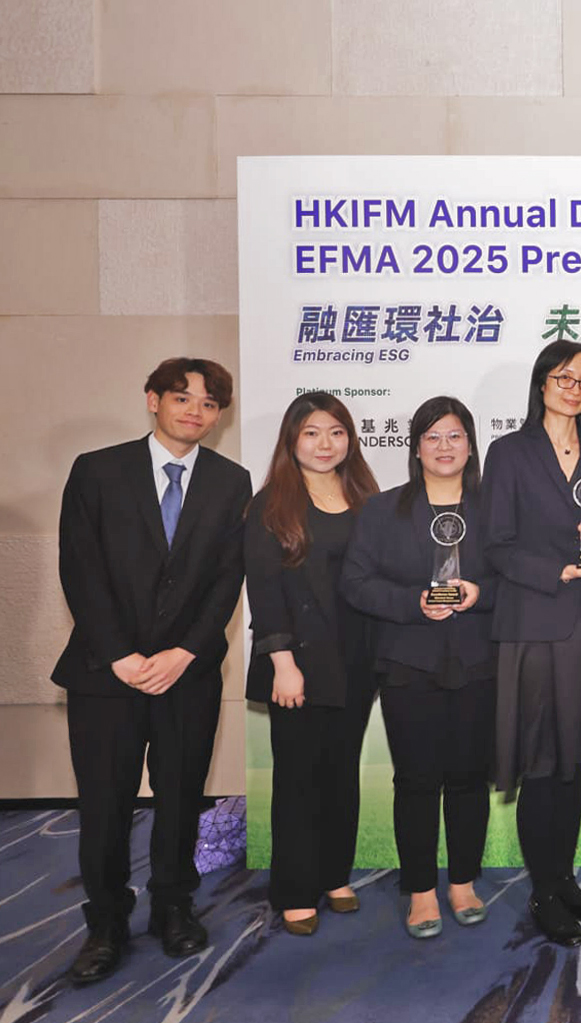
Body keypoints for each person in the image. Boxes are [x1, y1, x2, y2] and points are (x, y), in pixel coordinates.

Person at [54, 359, 252, 984]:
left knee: (181, 798)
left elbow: (228, 579)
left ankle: (173, 907)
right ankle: (106, 923)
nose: (196, 411)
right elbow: (78, 567)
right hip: (104, 673)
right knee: (105, 804)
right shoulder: (97, 470)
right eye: (182, 397)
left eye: (209, 403)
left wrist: (186, 651)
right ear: (153, 400)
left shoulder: (232, 482)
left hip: (187, 675)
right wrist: (119, 653)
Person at [482, 340, 581, 947]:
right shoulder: (509, 452)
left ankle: (564, 881)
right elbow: (496, 544)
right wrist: (556, 571)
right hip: (533, 622)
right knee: (541, 762)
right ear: (542, 383)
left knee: (574, 759)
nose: (575, 389)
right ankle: (543, 892)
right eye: (565, 377)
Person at [342, 397, 497, 939]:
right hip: (409, 662)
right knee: (416, 780)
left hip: (480, 661)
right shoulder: (382, 510)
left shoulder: (495, 508)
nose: (444, 446)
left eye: (455, 435)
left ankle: (463, 883)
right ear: (415, 447)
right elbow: (355, 582)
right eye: (432, 437)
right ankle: (422, 891)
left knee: (470, 778)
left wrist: (480, 593)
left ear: (471, 445)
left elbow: (520, 577)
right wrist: (413, 602)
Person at [244, 391, 379, 936]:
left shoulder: (367, 498)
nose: (326, 444)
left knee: (342, 772)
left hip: (357, 660)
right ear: (292, 440)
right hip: (297, 663)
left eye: (336, 432)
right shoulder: (271, 505)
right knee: (299, 777)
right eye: (312, 433)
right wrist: (282, 662)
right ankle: (295, 890)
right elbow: (264, 590)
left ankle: (334, 874)